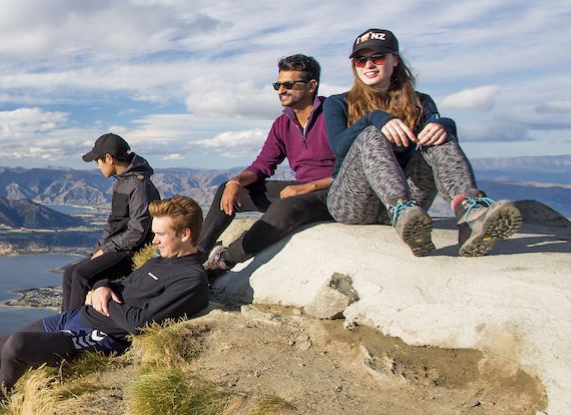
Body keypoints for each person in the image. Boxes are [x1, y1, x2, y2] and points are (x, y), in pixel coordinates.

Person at [0, 195, 209, 412]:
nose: (153, 240)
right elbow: (122, 285)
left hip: (100, 336)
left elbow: (139, 323)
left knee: (17, 345)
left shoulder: (190, 280)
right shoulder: (160, 260)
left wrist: (104, 301)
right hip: (79, 317)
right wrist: (101, 286)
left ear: (185, 234)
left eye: (160, 234)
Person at [324, 28, 521, 257]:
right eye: (361, 60)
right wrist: (374, 118)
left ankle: (470, 213)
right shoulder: (338, 103)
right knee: (371, 134)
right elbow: (338, 147)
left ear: (394, 59)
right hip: (353, 204)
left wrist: (445, 124)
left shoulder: (421, 102)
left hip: (412, 207)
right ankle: (399, 207)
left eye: (377, 58)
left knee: (438, 133)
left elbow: (439, 141)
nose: (368, 65)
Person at [200, 54, 336, 272]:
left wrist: (308, 187)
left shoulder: (334, 113)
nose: (281, 90)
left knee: (286, 207)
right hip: (302, 192)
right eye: (278, 85)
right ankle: (194, 257)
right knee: (229, 190)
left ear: (312, 86)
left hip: (334, 193)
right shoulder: (283, 123)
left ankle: (225, 260)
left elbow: (352, 170)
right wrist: (235, 182)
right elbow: (263, 165)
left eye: (289, 84)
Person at [60, 133, 160, 313]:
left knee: (81, 275)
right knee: (69, 274)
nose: (98, 166)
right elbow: (114, 224)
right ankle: (64, 321)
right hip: (117, 248)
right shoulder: (122, 182)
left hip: (130, 251)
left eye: (97, 161)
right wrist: (98, 250)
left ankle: (73, 329)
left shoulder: (139, 186)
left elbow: (137, 232)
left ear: (109, 158)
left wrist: (105, 250)